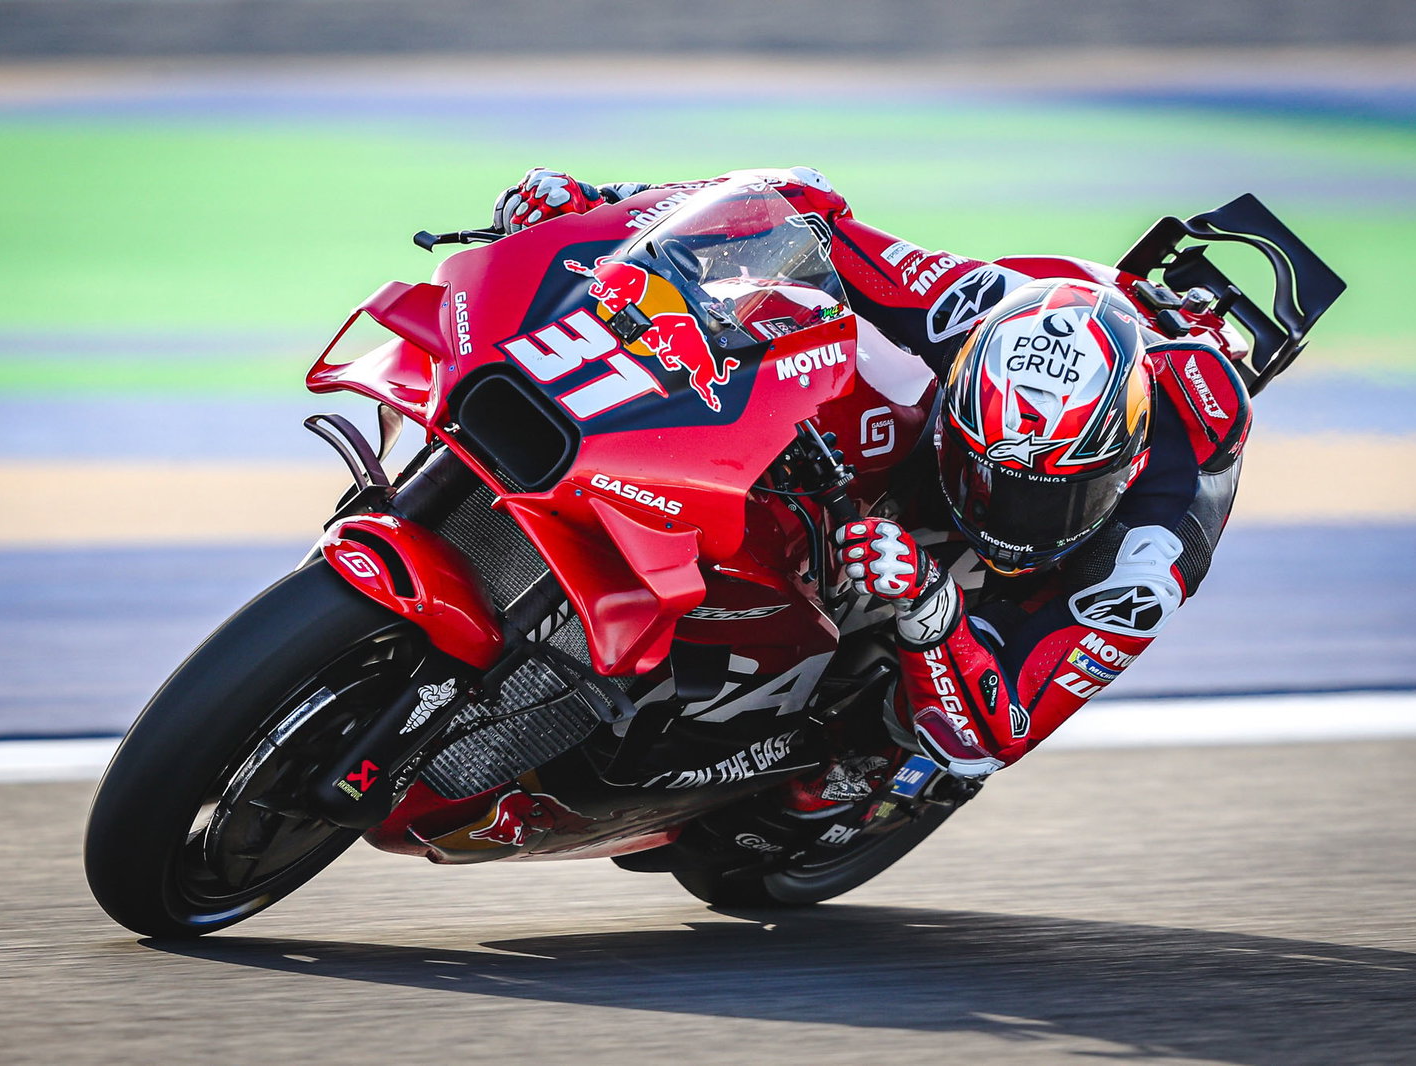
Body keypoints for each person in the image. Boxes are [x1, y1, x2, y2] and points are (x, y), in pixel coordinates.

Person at [493, 166, 1252, 779]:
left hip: (1105, 528)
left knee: (908, 730)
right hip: (1027, 331)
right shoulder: (968, 310)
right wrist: (603, 206)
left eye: (1042, 500)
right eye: (989, 478)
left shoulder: (1149, 550)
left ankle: (862, 767)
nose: (1003, 516)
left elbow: (991, 735)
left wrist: (927, 601)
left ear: (1120, 466)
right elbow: (799, 208)